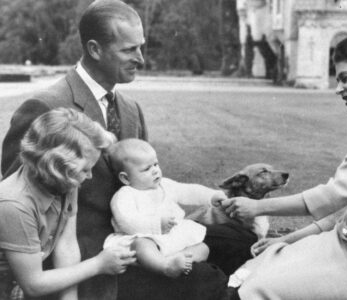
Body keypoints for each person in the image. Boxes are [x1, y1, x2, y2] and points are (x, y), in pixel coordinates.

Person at [0, 1, 228, 299]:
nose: (141, 58)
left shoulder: (131, 110)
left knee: (233, 241)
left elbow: (148, 185)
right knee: (205, 281)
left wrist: (203, 205)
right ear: (95, 49)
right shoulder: (46, 107)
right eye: (129, 50)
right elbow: (19, 202)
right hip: (83, 259)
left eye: (141, 47)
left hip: (134, 242)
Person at [218, 34, 347, 299]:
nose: (337, 88)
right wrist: (287, 239)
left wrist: (258, 206)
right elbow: (344, 211)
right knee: (263, 262)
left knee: (259, 287)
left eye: (344, 78)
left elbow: (334, 196)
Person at [0, 108, 136, 300]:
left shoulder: (65, 180)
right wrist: (98, 264)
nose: (89, 176)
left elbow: (66, 245)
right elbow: (33, 284)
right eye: (85, 170)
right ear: (55, 167)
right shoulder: (14, 204)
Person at [104, 139, 227, 277]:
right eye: (146, 169)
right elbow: (126, 221)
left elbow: (187, 191)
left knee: (203, 248)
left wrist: (210, 196)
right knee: (141, 245)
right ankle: (165, 266)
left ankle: (180, 260)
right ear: (126, 178)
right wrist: (156, 224)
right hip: (144, 237)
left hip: (170, 237)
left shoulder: (164, 185)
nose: (155, 171)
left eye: (155, 164)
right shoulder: (125, 195)